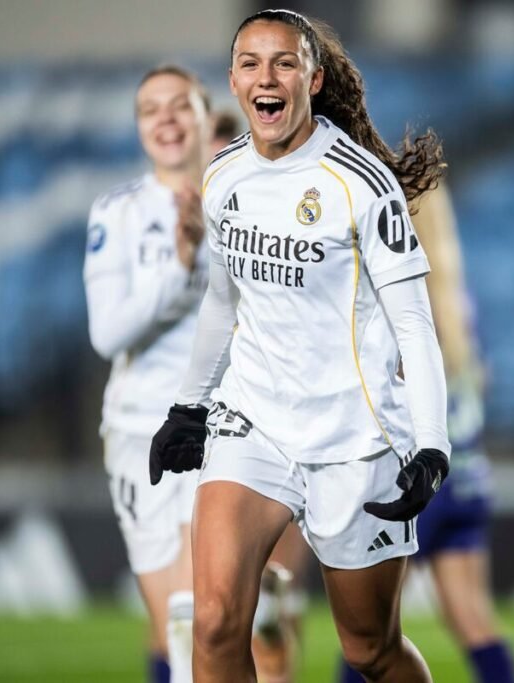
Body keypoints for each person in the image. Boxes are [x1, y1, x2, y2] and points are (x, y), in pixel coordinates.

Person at [148, 10, 450, 682]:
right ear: (233, 80)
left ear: (313, 78)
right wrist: (189, 406)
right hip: (253, 422)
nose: (267, 76)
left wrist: (431, 443)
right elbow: (223, 300)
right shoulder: (224, 174)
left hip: (354, 436)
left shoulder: (361, 184)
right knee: (216, 619)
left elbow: (415, 325)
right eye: (251, 63)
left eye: (284, 62)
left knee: (369, 649)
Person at [340, 184, 514, 682]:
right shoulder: (457, 297)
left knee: (367, 632)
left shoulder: (400, 296)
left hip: (418, 479)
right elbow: (479, 381)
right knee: (473, 621)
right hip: (466, 475)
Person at [84, 65, 210, 683]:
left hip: (223, 431)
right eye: (148, 109)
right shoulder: (118, 213)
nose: (164, 118)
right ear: (139, 128)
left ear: (204, 115)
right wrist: (180, 268)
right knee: (172, 629)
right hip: (139, 434)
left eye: (177, 105)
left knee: (203, 617)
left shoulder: (242, 204)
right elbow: (107, 334)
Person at [207, 107, 309, 683]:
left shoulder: (284, 223)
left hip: (273, 422)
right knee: (209, 609)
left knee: (270, 591)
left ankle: (278, 659)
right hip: (209, 427)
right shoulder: (196, 222)